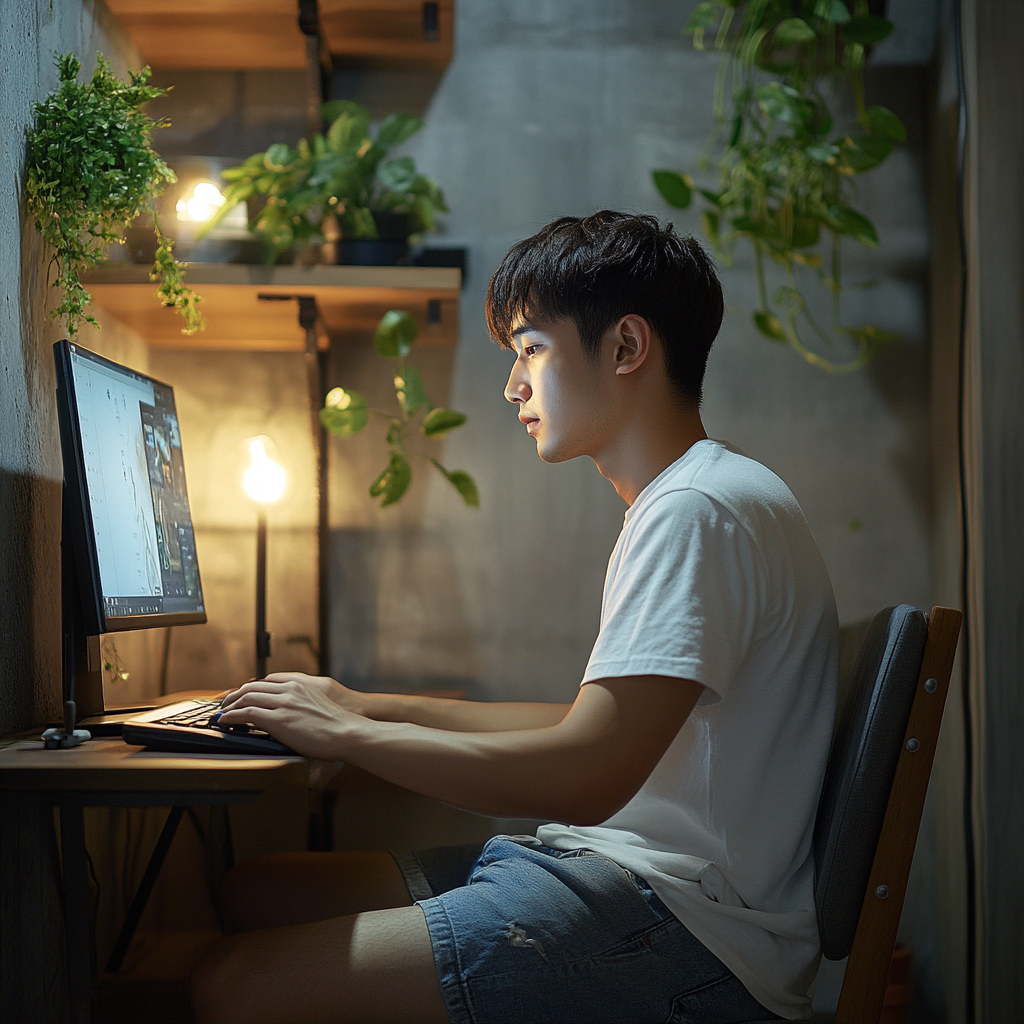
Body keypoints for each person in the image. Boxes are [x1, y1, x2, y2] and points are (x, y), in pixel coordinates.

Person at [191, 211, 839, 1024]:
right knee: (258, 889)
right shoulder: (694, 496)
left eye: (531, 348)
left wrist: (346, 738)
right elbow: (588, 729)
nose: (513, 386)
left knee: (230, 986)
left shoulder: (696, 511)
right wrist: (363, 704)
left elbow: (586, 774)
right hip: (624, 871)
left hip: (686, 927)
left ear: (626, 347)